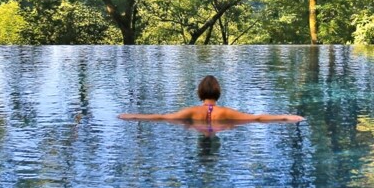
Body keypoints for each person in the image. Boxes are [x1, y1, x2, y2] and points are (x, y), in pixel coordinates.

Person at [118, 74, 304, 125]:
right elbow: (257, 118)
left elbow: (162, 117)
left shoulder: (192, 112)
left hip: (196, 125)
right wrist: (286, 117)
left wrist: (132, 116)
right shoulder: (225, 112)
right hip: (220, 125)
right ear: (218, 92)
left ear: (199, 93)